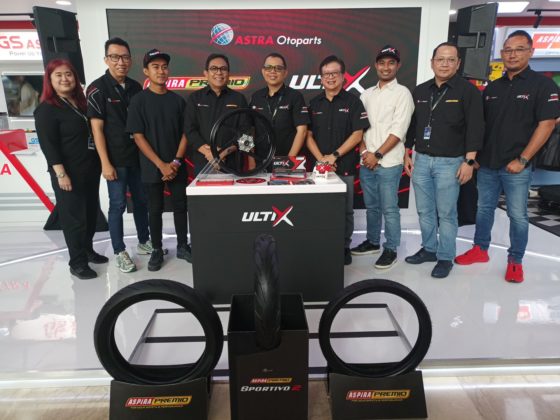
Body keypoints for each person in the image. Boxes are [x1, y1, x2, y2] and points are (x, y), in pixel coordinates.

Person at [455, 30, 559, 283]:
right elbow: (482, 124)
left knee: (518, 215)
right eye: (508, 50)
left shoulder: (543, 85)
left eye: (519, 49)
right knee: (483, 210)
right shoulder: (493, 87)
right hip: (487, 164)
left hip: (517, 166)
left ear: (531, 52)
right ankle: (480, 249)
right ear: (502, 53)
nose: (512, 54)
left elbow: (547, 124)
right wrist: (475, 156)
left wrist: (523, 160)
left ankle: (515, 261)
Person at [404, 42, 483, 279]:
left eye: (450, 60)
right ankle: (429, 249)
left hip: (450, 163)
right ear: (432, 63)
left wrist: (469, 162)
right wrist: (407, 152)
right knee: (424, 210)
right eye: (440, 59)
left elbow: (476, 127)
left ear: (458, 63)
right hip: (421, 160)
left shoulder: (468, 91)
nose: (445, 64)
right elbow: (413, 124)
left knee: (447, 213)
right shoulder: (420, 90)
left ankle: (446, 257)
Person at [34, 59, 107, 280]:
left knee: (90, 214)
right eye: (58, 75)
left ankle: (88, 250)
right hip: (67, 174)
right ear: (50, 80)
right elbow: (49, 145)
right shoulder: (46, 109)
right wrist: (61, 173)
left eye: (69, 74)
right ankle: (77, 262)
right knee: (74, 219)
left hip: (89, 169)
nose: (65, 79)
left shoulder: (81, 104)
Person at [87, 37, 151, 273]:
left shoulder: (136, 87)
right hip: (115, 160)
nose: (120, 62)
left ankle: (144, 241)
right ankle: (119, 250)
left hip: (137, 157)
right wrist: (105, 163)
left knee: (141, 201)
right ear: (106, 59)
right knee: (117, 205)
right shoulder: (96, 89)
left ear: (130, 60)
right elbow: (97, 130)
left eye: (124, 57)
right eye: (115, 57)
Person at [126, 49, 189, 272]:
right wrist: (161, 165)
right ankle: (156, 249)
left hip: (176, 165)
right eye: (155, 67)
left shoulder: (178, 101)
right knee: (154, 209)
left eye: (164, 67)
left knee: (180, 206)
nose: (161, 71)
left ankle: (183, 246)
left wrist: (176, 161)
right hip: (152, 166)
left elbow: (186, 133)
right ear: (146, 71)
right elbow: (138, 136)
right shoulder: (138, 101)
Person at [352, 45, 414, 269]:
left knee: (389, 208)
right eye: (382, 63)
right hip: (366, 161)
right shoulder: (366, 94)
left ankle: (391, 248)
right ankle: (372, 242)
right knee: (372, 207)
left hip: (388, 162)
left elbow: (399, 130)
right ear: (376, 65)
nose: (386, 67)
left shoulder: (403, 93)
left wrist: (377, 155)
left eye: (391, 63)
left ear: (398, 66)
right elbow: (359, 128)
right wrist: (365, 153)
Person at [307, 55, 370, 265]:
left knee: (345, 211)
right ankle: (321, 245)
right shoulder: (314, 103)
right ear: (321, 78)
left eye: (334, 73)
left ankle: (344, 247)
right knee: (318, 209)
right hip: (319, 169)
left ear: (343, 76)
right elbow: (307, 136)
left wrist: (333, 156)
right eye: (326, 74)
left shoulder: (353, 102)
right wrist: (322, 160)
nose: (330, 77)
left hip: (344, 166)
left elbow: (357, 135)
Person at [184, 53, 249, 175]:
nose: (219, 72)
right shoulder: (195, 98)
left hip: (233, 165)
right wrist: (209, 153)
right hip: (203, 164)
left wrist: (223, 153)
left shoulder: (239, 99)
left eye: (223, 69)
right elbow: (189, 130)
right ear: (206, 73)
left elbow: (247, 135)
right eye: (214, 68)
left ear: (228, 73)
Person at [249, 52, 309, 166]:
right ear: (263, 71)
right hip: (260, 162)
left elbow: (302, 131)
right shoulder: (256, 97)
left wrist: (288, 161)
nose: (273, 71)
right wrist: (251, 160)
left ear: (285, 73)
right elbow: (248, 131)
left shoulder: (295, 96)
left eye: (278, 68)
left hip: (287, 161)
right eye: (268, 67)